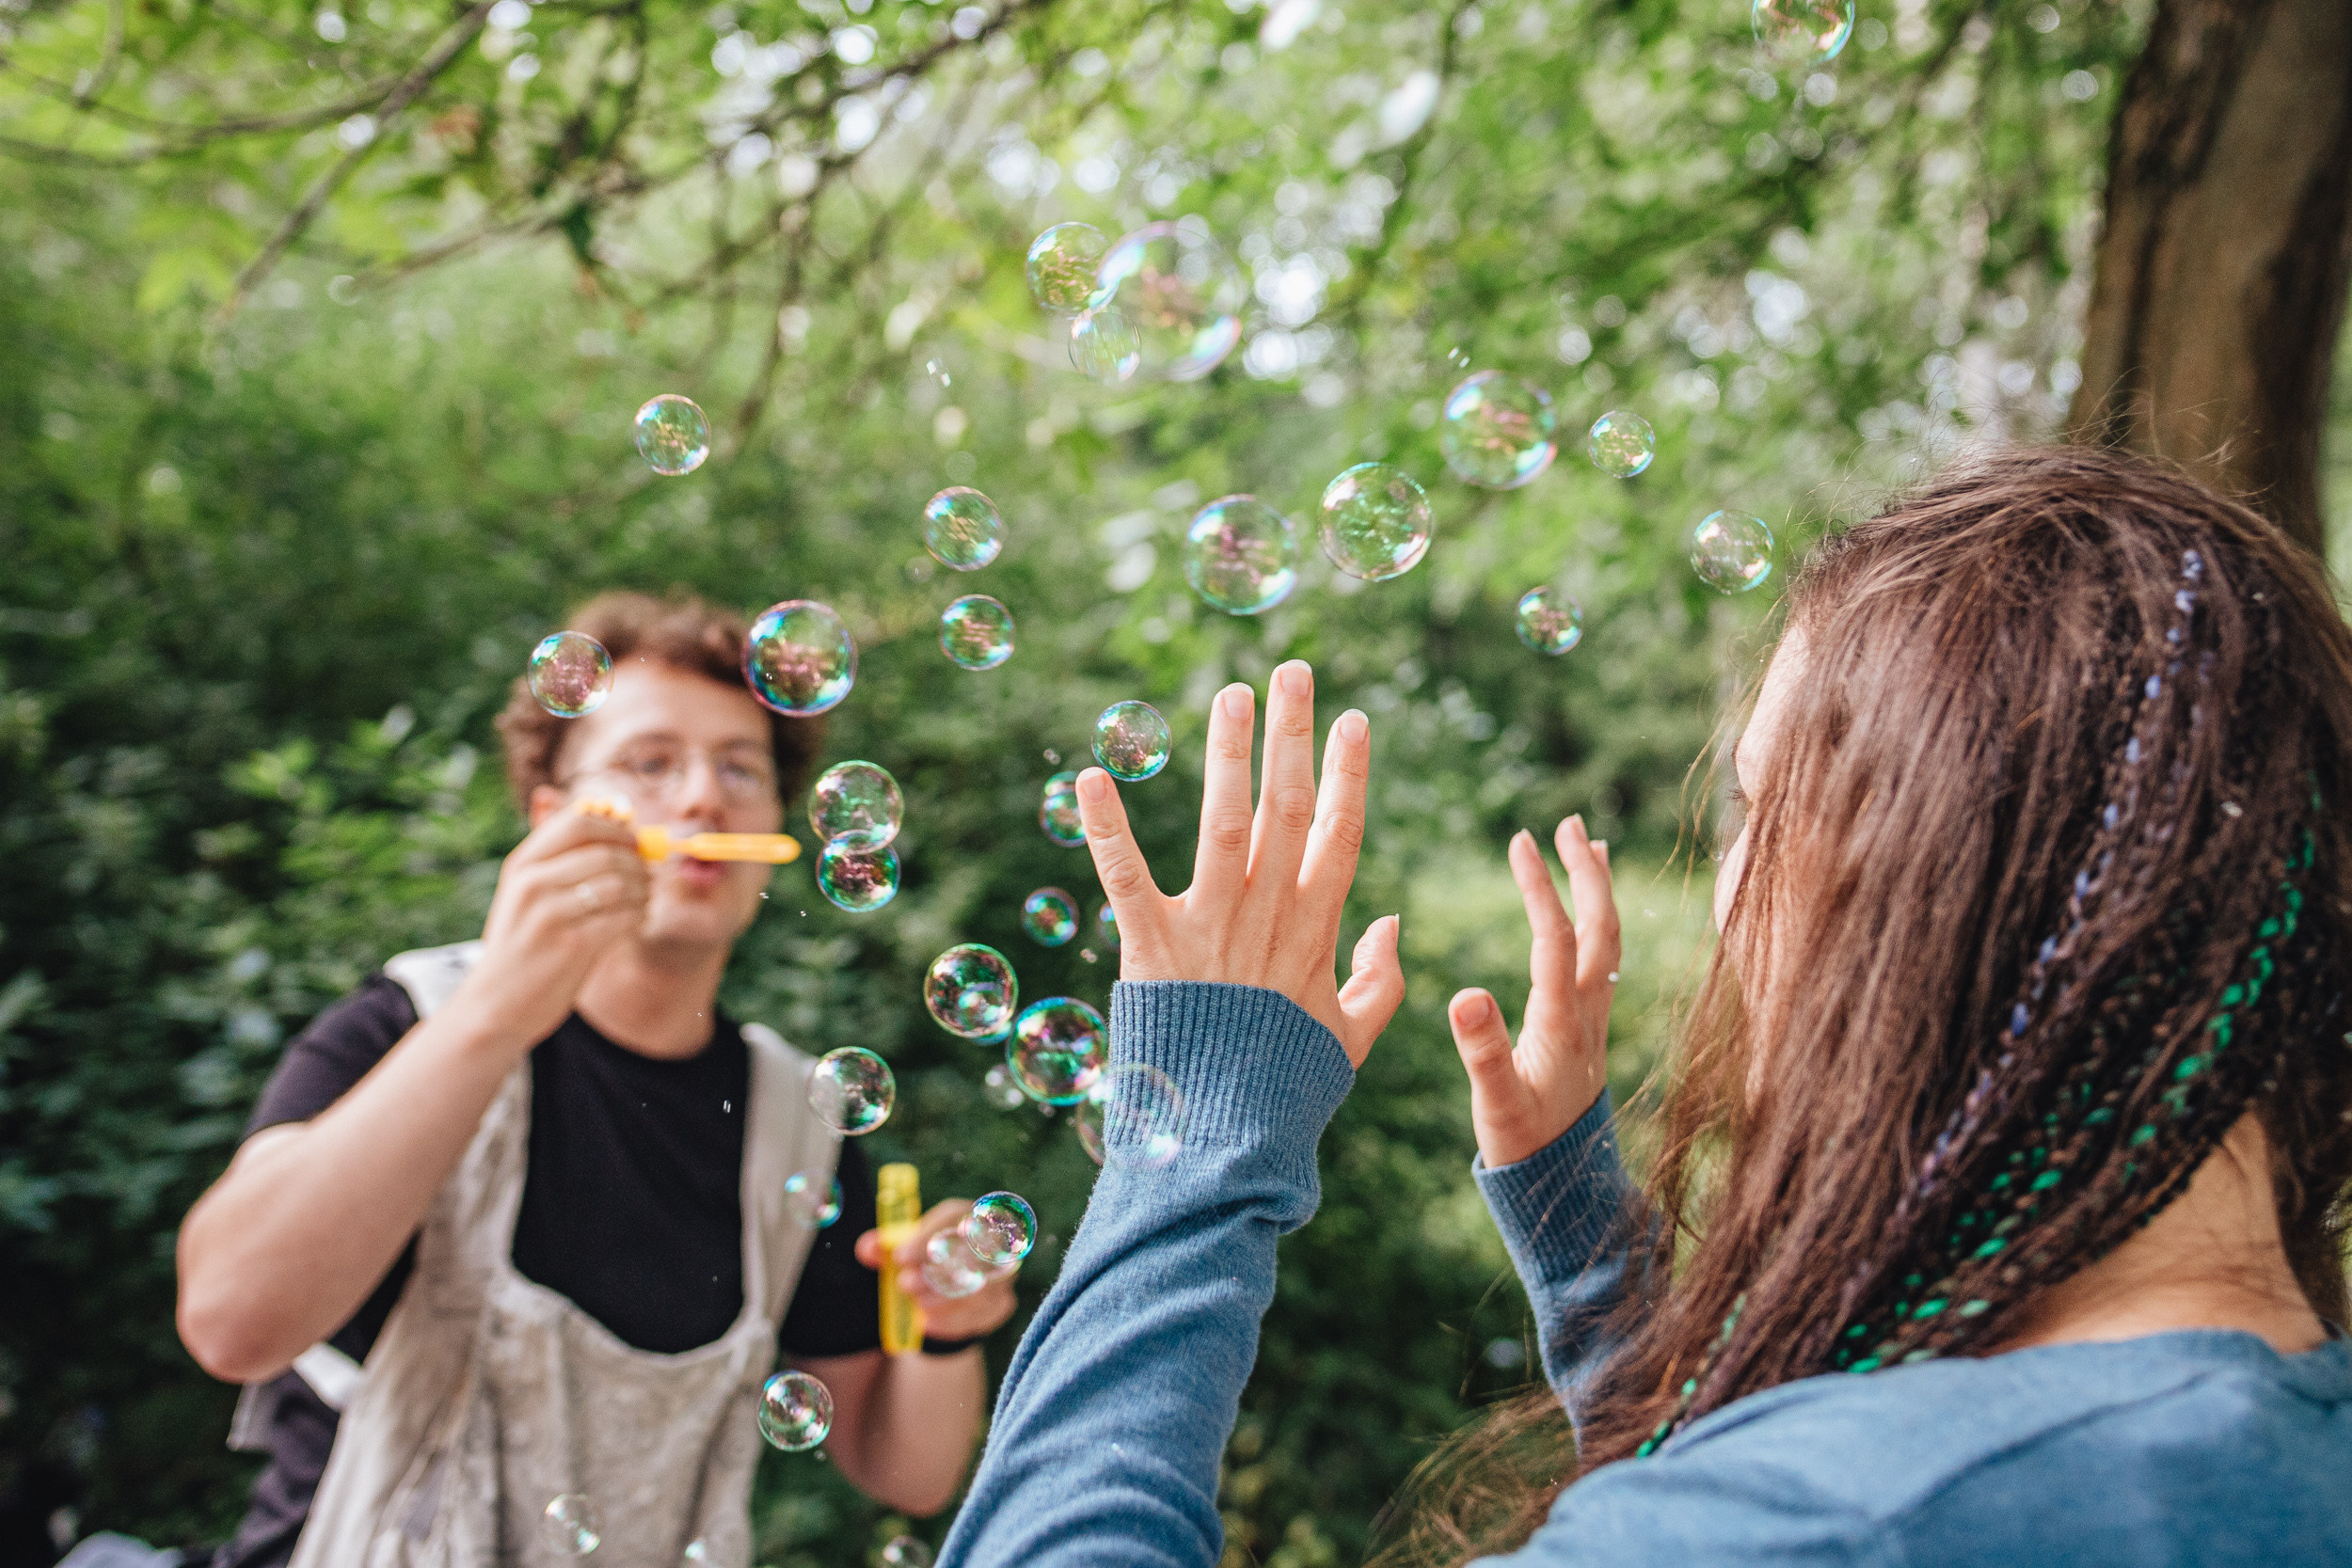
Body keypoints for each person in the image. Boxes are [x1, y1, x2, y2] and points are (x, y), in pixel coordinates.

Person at [929, 448, 2352, 1568]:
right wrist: (1590, 1241)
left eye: (1760, 809)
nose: (1731, 891)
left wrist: (1198, 1135)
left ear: (1940, 885)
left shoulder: (1822, 1525)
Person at [175, 593, 1016, 1567]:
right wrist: (497, 1007)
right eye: (649, 762)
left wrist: (945, 1326)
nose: (703, 796)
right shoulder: (410, 1019)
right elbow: (231, 1320)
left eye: (740, 767)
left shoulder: (799, 1119)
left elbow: (903, 1468)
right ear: (551, 813)